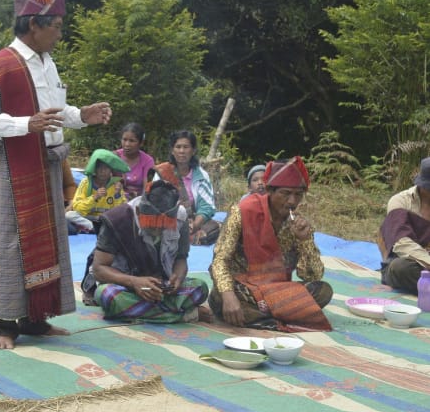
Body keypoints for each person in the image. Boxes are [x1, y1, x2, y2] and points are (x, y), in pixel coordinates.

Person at [0, 0, 112, 349]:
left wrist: (82, 115)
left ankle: (35, 319)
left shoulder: (47, 64)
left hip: (47, 162)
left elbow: (54, 113)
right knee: (11, 242)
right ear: (34, 25)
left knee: (48, 238)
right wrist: (24, 125)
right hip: (14, 166)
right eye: (57, 26)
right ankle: (2, 323)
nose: (60, 34)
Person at [208, 157, 333, 331]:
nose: (292, 201)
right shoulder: (242, 212)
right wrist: (229, 296)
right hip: (245, 287)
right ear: (269, 191)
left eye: (298, 195)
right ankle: (280, 316)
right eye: (285, 193)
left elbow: (312, 276)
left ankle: (263, 318)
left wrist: (305, 242)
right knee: (219, 298)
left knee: (323, 291)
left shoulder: (297, 224)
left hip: (276, 288)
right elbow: (219, 260)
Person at [84, 164, 209, 321]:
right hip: (125, 285)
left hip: (160, 286)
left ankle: (143, 311)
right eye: (152, 225)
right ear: (138, 211)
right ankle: (183, 315)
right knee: (109, 296)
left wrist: (177, 278)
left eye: (163, 227)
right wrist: (134, 282)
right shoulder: (117, 219)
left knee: (200, 288)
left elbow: (181, 258)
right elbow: (99, 270)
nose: (157, 231)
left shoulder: (180, 217)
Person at [379, 157, 430, 293]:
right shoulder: (400, 201)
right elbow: (401, 243)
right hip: (409, 262)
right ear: (423, 186)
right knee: (399, 268)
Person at [167, 130, 220, 245]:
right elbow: (156, 203)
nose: (182, 151)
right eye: (178, 147)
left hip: (192, 221)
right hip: (168, 221)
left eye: (186, 147)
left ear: (193, 151)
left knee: (213, 229)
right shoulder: (162, 173)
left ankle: (184, 237)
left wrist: (195, 225)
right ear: (172, 150)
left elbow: (207, 206)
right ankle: (183, 237)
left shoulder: (201, 175)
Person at [71, 148, 129, 227]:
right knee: (70, 215)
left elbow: (121, 211)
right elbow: (78, 208)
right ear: (95, 169)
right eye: (99, 168)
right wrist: (95, 197)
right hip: (89, 218)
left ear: (111, 170)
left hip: (107, 220)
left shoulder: (115, 184)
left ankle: (97, 229)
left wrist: (117, 195)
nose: (103, 171)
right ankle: (94, 228)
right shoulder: (86, 183)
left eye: (106, 168)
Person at [115, 123, 156, 200]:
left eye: (132, 141)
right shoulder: (115, 156)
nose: (127, 144)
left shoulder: (147, 161)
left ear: (141, 143)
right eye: (124, 139)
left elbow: (147, 188)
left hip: (138, 201)